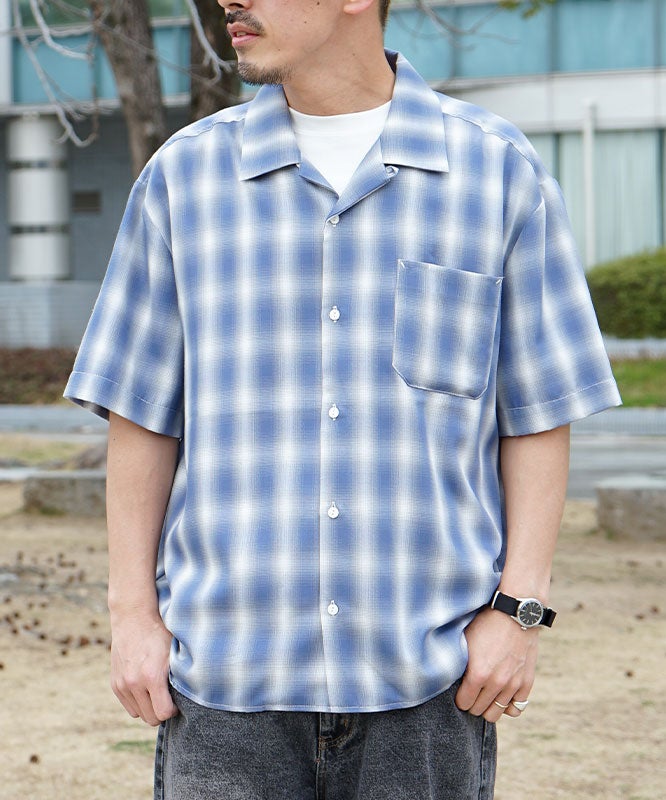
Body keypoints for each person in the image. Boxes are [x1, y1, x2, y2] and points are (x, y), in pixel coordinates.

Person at [65, 0, 621, 797]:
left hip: (429, 688)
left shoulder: (497, 170)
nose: (229, 0)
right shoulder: (182, 179)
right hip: (223, 688)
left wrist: (520, 611)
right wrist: (131, 616)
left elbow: (536, 413)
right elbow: (140, 413)